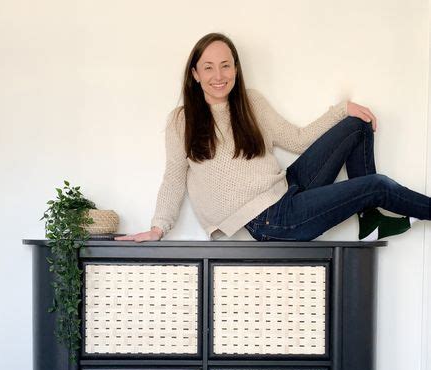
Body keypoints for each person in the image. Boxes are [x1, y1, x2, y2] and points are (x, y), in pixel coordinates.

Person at [115, 32, 430, 243]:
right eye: (208, 68)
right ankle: (387, 211)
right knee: (376, 186)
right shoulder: (182, 121)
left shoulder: (251, 103)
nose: (218, 76)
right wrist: (159, 227)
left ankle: (371, 219)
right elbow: (173, 177)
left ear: (236, 69)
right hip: (268, 221)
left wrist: (340, 110)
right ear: (195, 74)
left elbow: (298, 140)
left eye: (225, 66)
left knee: (355, 124)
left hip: (287, 190)